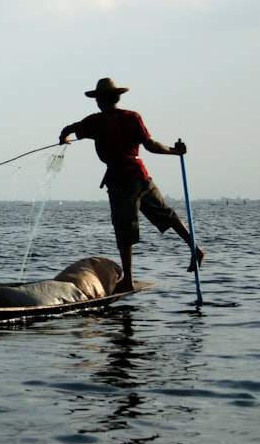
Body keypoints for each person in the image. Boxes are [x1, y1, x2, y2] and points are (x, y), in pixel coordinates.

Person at [58, 78, 205, 293]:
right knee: (168, 215)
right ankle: (195, 248)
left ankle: (127, 279)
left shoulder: (96, 122)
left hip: (121, 181)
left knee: (124, 228)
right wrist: (175, 151)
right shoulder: (132, 117)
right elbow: (151, 146)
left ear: (100, 101)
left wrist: (64, 138)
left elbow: (68, 128)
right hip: (141, 176)